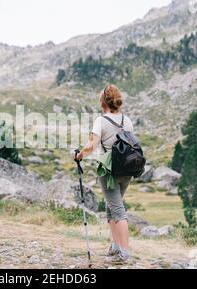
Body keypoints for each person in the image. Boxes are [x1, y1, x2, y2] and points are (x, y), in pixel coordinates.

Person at [75, 84, 134, 263]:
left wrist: (79, 156)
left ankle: (124, 253)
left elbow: (92, 146)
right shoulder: (127, 120)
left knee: (117, 210)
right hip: (127, 170)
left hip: (109, 170)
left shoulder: (101, 121)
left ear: (103, 102)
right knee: (112, 207)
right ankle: (115, 247)